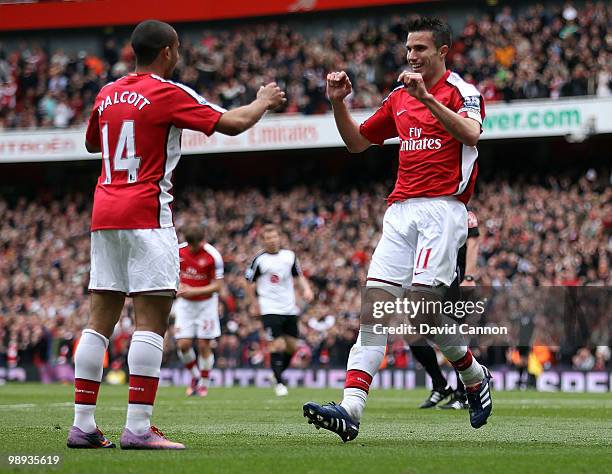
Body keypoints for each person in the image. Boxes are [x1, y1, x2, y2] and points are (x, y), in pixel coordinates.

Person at [67, 19, 285, 450]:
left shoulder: (107, 92)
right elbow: (233, 123)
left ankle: (83, 425)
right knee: (151, 323)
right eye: (179, 48)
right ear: (167, 51)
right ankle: (138, 428)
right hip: (147, 214)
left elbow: (94, 143)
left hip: (104, 213)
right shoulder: (168, 91)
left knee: (98, 324)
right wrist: (262, 101)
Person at [303, 17, 492, 442]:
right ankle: (351, 409)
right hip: (400, 211)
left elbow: (472, 135)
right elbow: (356, 143)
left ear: (443, 52)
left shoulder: (462, 92)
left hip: (443, 211)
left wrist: (427, 99)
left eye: (420, 49)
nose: (411, 56)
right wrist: (338, 103)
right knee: (376, 314)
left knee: (422, 319)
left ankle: (475, 377)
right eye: (409, 49)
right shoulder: (398, 98)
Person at [245, 224, 313, 396]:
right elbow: (248, 283)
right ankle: (280, 384)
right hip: (269, 307)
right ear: (263, 240)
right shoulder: (259, 260)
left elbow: (299, 276)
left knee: (292, 346)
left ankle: (277, 374)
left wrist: (306, 289)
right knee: (277, 345)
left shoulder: (289, 256)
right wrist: (254, 303)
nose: (272, 240)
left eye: (274, 236)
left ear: (279, 237)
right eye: (268, 238)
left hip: (289, 307)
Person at [174, 225, 224, 397]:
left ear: (203, 240)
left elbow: (217, 286)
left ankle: (203, 383)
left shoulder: (213, 256)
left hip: (206, 304)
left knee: (204, 344)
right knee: (183, 344)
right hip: (185, 305)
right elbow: (170, 273)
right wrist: (178, 285)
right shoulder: (178, 251)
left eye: (196, 244)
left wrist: (192, 290)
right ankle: (195, 377)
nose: (193, 248)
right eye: (191, 244)